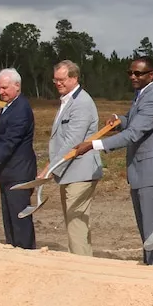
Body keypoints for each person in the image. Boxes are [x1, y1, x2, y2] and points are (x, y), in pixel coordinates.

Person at [73, 57, 153, 265]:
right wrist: (120, 120)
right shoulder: (141, 95)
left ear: (151, 75)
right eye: (130, 73)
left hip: (152, 173)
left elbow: (134, 134)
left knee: (152, 231)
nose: (133, 77)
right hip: (140, 171)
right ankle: (150, 267)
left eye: (138, 74)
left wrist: (94, 145)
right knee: (145, 229)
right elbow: (132, 122)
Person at [44, 59, 102, 256]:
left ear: (74, 78)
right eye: (55, 80)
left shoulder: (82, 103)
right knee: (75, 223)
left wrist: (50, 169)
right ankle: (83, 261)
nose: (58, 83)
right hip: (69, 171)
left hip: (81, 172)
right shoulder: (68, 100)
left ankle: (81, 269)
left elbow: (72, 142)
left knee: (76, 223)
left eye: (62, 79)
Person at [0, 68, 36, 249]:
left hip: (19, 173)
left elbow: (9, 143)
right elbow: (6, 113)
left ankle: (26, 254)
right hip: (7, 172)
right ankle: (13, 253)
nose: (1, 92)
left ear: (17, 86)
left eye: (5, 88)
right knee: (9, 218)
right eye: (0, 88)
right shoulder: (11, 106)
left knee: (20, 220)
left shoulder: (22, 109)